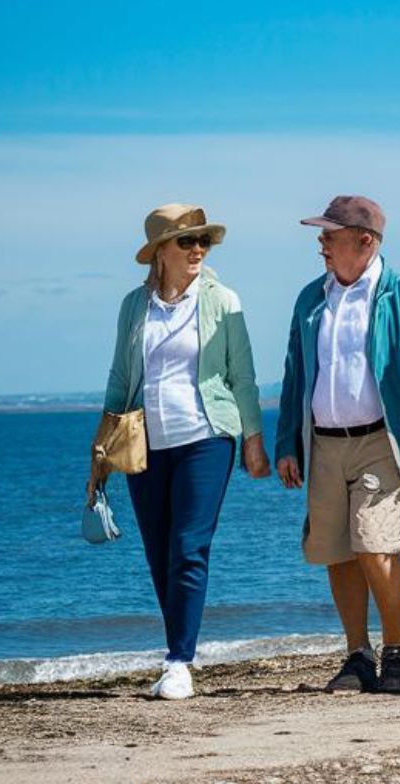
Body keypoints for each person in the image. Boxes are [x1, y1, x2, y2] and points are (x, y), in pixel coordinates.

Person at [93, 203, 271, 700]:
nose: (197, 250)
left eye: (203, 242)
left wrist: (253, 438)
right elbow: (119, 377)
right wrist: (101, 447)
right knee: (158, 552)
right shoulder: (134, 306)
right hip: (144, 444)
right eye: (186, 242)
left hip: (206, 437)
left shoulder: (222, 300)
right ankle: (176, 649)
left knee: (189, 547)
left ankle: (178, 662)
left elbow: (243, 375)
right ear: (159, 253)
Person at [274, 195, 400, 693]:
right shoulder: (311, 298)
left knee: (377, 545)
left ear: (365, 241)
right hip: (323, 443)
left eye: (330, 235)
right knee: (338, 551)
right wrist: (288, 441)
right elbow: (295, 375)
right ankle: (358, 655)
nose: (321, 244)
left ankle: (395, 651)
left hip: (380, 440)